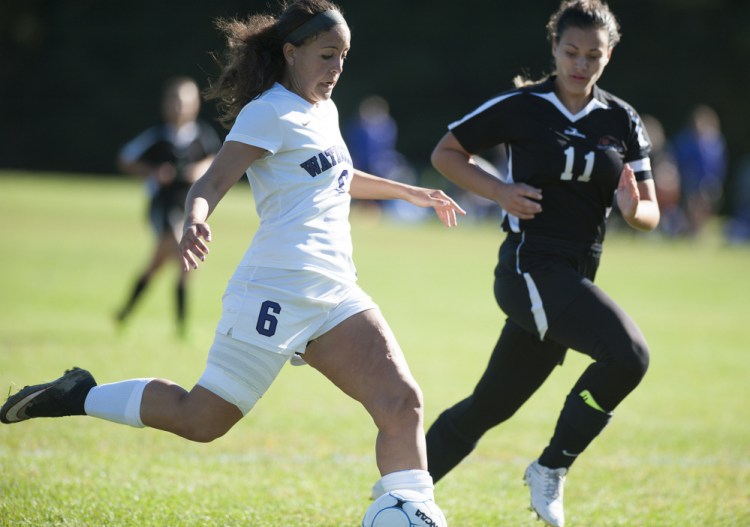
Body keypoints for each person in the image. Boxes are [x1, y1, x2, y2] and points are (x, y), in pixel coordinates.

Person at [0, 0, 464, 522]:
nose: (336, 67)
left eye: (344, 57)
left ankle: (410, 512)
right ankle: (78, 394)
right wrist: (196, 218)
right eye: (326, 54)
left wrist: (409, 193)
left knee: (402, 402)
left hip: (334, 292)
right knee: (200, 419)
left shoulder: (326, 110)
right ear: (291, 52)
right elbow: (212, 180)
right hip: (274, 292)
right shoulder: (267, 112)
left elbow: (338, 175)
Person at [423, 1, 659, 525]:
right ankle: (551, 468)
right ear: (553, 48)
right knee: (629, 356)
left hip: (571, 278)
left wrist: (633, 210)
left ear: (609, 55)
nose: (580, 64)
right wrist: (500, 191)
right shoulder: (523, 105)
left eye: (593, 55)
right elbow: (446, 152)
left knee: (489, 406)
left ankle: (401, 490)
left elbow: (650, 211)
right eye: (571, 51)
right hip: (528, 269)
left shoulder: (621, 118)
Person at [115, 76, 221, 336]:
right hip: (162, 208)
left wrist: (200, 169)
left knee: (158, 264)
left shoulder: (201, 136)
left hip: (188, 210)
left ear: (195, 105)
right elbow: (126, 159)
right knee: (183, 254)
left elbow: (217, 161)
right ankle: (181, 327)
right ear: (165, 104)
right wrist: (153, 172)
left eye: (184, 101)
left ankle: (126, 313)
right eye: (174, 101)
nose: (178, 107)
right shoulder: (157, 137)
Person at [670, 104, 727, 237]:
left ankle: (699, 232)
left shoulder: (716, 144)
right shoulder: (687, 141)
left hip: (710, 183)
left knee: (704, 208)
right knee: (693, 207)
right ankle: (691, 231)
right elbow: (679, 160)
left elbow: (719, 166)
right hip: (691, 182)